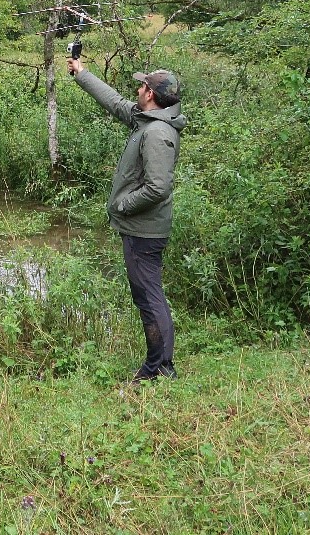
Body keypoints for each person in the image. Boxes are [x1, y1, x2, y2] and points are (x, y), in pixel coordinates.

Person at [65, 55, 186, 382]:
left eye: (142, 85)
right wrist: (82, 73)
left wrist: (122, 205)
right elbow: (116, 103)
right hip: (141, 229)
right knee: (148, 295)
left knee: (149, 298)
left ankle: (159, 368)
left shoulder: (156, 133)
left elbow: (158, 187)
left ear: (151, 94)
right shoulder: (147, 120)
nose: (137, 89)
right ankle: (160, 365)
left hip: (144, 231)